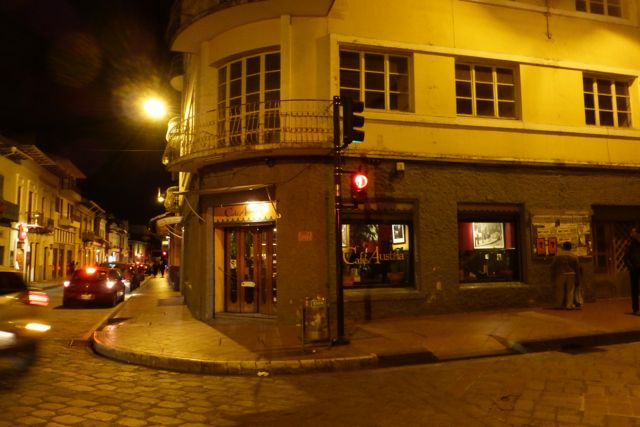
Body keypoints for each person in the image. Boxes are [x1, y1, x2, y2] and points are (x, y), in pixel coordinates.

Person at [551, 241, 582, 309]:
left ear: (563, 247)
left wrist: (553, 275)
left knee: (559, 290)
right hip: (571, 274)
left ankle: (559, 304)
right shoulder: (574, 256)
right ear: (570, 247)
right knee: (570, 290)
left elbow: (553, 265)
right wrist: (578, 278)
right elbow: (577, 268)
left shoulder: (558, 255)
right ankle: (569, 305)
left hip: (560, 273)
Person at [625, 227, 640, 315]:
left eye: (633, 232)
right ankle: (636, 309)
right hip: (634, 270)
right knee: (635, 290)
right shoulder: (630, 244)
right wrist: (631, 267)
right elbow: (626, 258)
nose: (632, 234)